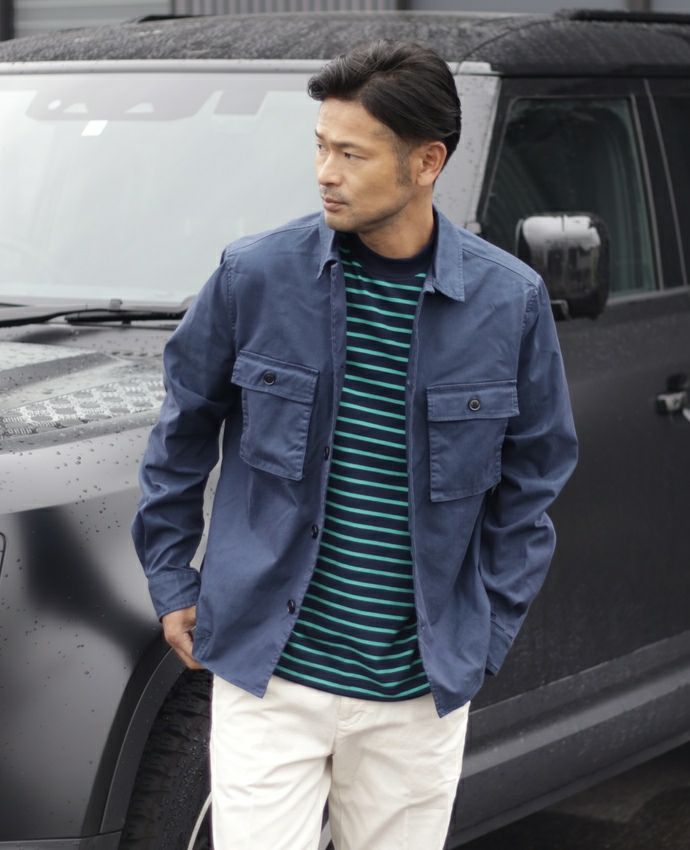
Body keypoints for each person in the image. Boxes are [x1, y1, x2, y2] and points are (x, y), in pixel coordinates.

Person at [131, 40, 578, 850]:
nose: (325, 173)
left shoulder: (508, 303)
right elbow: (181, 433)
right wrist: (171, 578)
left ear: (427, 162)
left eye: (351, 154)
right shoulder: (255, 276)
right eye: (320, 147)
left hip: (415, 693)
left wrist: (484, 635)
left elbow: (535, 478)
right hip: (269, 678)